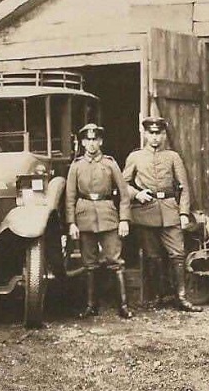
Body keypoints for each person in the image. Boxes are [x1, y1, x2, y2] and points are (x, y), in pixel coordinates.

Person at [124, 116, 201, 312]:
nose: (155, 137)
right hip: (145, 212)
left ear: (164, 135)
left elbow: (184, 187)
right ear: (145, 134)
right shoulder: (135, 157)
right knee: (152, 256)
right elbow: (123, 184)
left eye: (158, 133)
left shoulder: (173, 157)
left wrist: (183, 213)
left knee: (177, 254)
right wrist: (137, 194)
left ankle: (181, 297)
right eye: (151, 133)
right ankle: (156, 297)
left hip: (169, 210)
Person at [66, 122, 133, 319]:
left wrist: (124, 219)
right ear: (83, 143)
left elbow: (124, 194)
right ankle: (91, 306)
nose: (92, 143)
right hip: (84, 216)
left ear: (101, 141)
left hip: (107, 215)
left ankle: (123, 306)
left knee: (115, 261)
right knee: (89, 263)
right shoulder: (76, 166)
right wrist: (71, 223)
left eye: (95, 139)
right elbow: (70, 197)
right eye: (88, 140)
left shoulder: (110, 164)